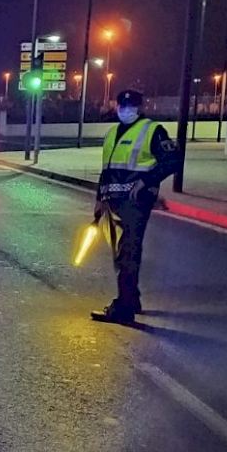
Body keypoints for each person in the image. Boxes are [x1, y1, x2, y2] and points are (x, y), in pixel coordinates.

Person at [91, 89, 180, 324]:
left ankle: (124, 308)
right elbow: (107, 170)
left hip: (137, 200)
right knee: (122, 252)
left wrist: (147, 181)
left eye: (131, 106)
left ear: (140, 108)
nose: (125, 110)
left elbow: (172, 160)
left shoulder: (152, 130)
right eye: (122, 106)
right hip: (114, 201)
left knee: (128, 251)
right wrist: (99, 199)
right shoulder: (112, 133)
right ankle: (132, 298)